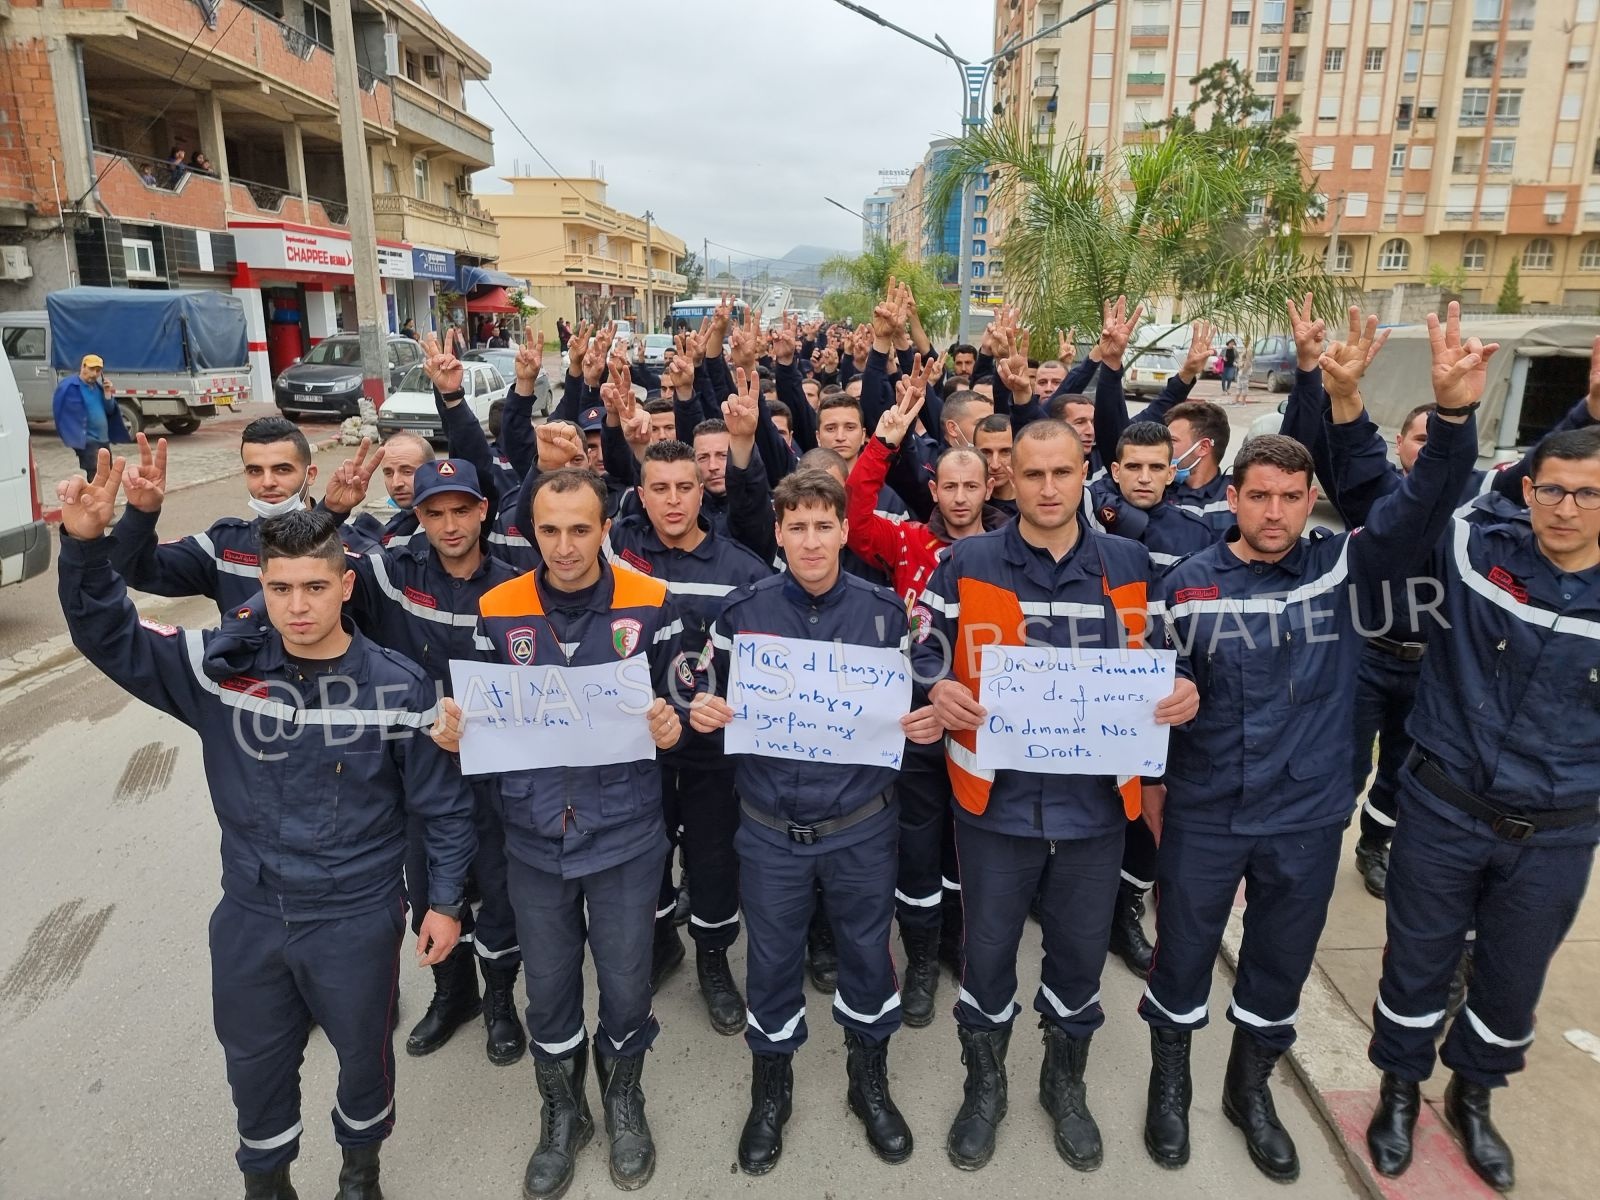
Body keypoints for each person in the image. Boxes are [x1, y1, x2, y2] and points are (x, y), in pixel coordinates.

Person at [1140, 306, 1486, 1183]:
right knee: (1180, 955)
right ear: (1231, 497)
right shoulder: (1182, 587)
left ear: (1309, 502)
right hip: (1208, 812)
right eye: (1258, 495)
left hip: (1305, 813)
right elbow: (1142, 699)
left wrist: (1449, 419)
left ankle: (1247, 1091)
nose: (1275, 511)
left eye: (1292, 497)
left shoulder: (1343, 568)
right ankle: (1169, 1084)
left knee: (1279, 965)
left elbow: (1423, 505)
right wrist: (1163, 713)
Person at [57, 480, 474, 1200]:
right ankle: (267, 1181)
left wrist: (444, 904)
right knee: (254, 1061)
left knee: (363, 1059)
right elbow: (111, 636)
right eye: (280, 589)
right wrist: (88, 549)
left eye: (315, 586)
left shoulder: (399, 687)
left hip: (355, 915)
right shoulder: (220, 672)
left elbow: (442, 808)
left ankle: (359, 1171)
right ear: (264, 587)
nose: (298, 607)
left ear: (346, 584)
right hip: (250, 915)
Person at [913, 418, 1197, 1174]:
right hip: (993, 806)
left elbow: (1168, 658)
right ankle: (985, 1087)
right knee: (988, 955)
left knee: (1077, 958)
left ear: (1085, 474)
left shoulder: (1132, 564)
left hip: (1097, 809)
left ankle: (1062, 1085)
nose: (1046, 489)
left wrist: (1182, 690)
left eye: (1062, 474)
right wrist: (936, 684)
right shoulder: (965, 562)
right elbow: (921, 646)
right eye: (1032, 475)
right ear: (1012, 481)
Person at [431, 468, 686, 1200]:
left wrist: (673, 721)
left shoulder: (651, 601)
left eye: (581, 529)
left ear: (606, 528)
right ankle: (562, 1112)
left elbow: (686, 690)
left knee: (628, 983)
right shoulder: (497, 608)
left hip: (628, 838)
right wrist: (453, 731)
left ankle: (624, 1102)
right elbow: (475, 713)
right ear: (527, 532)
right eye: (550, 530)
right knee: (547, 992)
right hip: (534, 839)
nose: (566, 546)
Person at [1361, 437, 1600, 1191]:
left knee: (1510, 978)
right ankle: (1399, 1090)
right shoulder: (1473, 551)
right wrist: (1458, 413)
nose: (1566, 509)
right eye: (1552, 490)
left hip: (1557, 834)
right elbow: (1403, 496)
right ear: (1525, 489)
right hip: (1446, 812)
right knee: (1417, 962)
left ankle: (1474, 1094)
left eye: (1588, 494)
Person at [689, 470, 942, 1174]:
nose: (809, 540)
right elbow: (703, 685)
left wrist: (930, 711)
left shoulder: (889, 613)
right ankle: (771, 1090)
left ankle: (870, 1082)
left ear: (841, 531)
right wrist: (700, 710)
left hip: (861, 824)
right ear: (778, 532)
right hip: (770, 827)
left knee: (867, 955)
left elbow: (929, 679)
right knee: (769, 963)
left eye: (822, 526)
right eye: (795, 526)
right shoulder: (743, 614)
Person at [312, 448, 528, 1067]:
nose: (451, 525)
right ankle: (450, 994)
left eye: (463, 510)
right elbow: (314, 568)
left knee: (499, 888)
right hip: (415, 772)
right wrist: (330, 513)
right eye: (436, 512)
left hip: (496, 768)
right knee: (427, 882)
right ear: (420, 514)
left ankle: (501, 1002)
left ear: (484, 511)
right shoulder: (390, 573)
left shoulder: (519, 579)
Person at [844, 364, 1005, 1027]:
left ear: (989, 486)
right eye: (949, 486)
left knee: (972, 847)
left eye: (973, 485)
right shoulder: (909, 541)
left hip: (985, 727)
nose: (961, 497)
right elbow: (853, 518)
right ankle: (918, 961)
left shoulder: (1008, 551)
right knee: (917, 848)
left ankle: (961, 950)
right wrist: (882, 442)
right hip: (913, 724)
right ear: (932, 488)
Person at [603, 434, 772, 1031]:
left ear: (704, 490)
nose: (673, 501)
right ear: (640, 495)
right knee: (644, 856)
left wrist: (724, 702)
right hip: (633, 748)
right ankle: (660, 945)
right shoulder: (615, 555)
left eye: (685, 488)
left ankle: (713, 962)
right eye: (659, 489)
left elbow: (763, 666)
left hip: (710, 752)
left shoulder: (742, 570)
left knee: (712, 861)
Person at [108, 418, 318, 615]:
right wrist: (140, 513)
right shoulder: (224, 546)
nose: (267, 482)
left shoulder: (345, 541)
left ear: (310, 474)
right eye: (255, 471)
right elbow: (130, 568)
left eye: (282, 469)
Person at [52, 353, 128, 477]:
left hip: (103, 440)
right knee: (96, 476)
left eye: (98, 371)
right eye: (91, 369)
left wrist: (108, 393)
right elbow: (60, 412)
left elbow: (109, 411)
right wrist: (76, 440)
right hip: (89, 441)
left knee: (108, 476)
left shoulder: (98, 388)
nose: (94, 374)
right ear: (83, 367)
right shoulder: (71, 387)